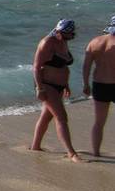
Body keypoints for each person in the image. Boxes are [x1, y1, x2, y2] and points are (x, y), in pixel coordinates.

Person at [30, 18, 81, 161]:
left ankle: (35, 146)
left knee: (46, 116)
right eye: (69, 33)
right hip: (47, 85)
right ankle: (71, 153)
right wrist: (39, 88)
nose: (72, 36)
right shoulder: (47, 42)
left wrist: (66, 84)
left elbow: (63, 66)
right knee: (62, 117)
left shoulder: (63, 41)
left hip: (59, 86)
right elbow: (36, 67)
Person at [82, 14, 115, 157]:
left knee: (99, 122)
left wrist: (85, 84)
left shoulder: (94, 42)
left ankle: (96, 152)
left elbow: (86, 66)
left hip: (99, 85)